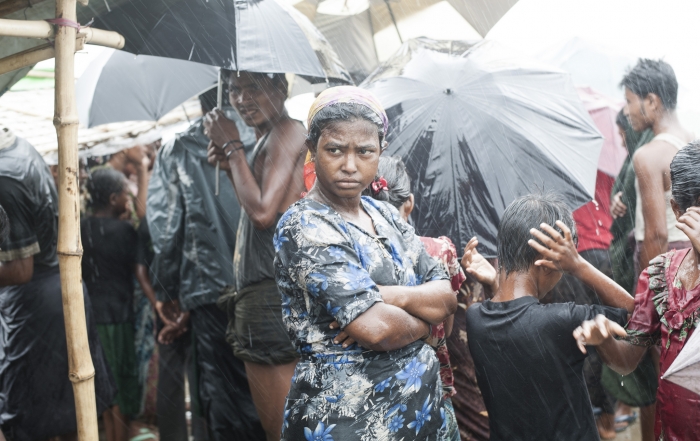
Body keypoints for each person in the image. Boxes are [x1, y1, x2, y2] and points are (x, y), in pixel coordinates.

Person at [274, 86, 457, 440]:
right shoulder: (305, 225)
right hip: (347, 419)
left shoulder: (386, 214)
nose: (350, 165)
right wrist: (425, 322)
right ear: (312, 150)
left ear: (381, 152)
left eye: (365, 151)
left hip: (419, 412)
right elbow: (377, 330)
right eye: (334, 150)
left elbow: (447, 296)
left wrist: (388, 295)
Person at [464, 192, 633, 441]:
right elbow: (638, 313)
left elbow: (509, 315)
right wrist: (578, 265)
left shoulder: (475, 318)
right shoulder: (562, 321)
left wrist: (494, 282)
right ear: (548, 263)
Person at [148, 90, 264, 441]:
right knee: (264, 379)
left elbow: (165, 228)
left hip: (209, 287)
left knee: (221, 387)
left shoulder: (178, 147)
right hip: (262, 282)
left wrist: (166, 291)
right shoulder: (260, 135)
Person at [204, 71, 306, 440]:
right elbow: (259, 208)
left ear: (280, 89)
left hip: (271, 296)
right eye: (234, 90)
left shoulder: (288, 130)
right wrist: (231, 163)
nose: (242, 99)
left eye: (253, 88)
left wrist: (232, 147)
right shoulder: (268, 137)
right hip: (265, 292)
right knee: (285, 425)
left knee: (280, 428)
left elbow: (263, 214)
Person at [575, 142, 700, 441]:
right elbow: (627, 361)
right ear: (677, 211)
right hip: (674, 429)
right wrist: (605, 341)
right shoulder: (660, 274)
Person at [0, 128, 115, 441]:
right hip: (59, 291)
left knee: (30, 418)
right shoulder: (17, 147)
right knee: (65, 414)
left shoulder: (4, 174)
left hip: (37, 303)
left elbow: (20, 269)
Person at [366, 155, 465, 441]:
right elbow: (445, 328)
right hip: (429, 389)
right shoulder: (439, 251)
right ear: (408, 203)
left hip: (374, 396)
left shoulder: (353, 258)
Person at [604, 110, 657, 438]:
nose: (621, 139)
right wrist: (618, 200)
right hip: (633, 269)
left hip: (643, 272)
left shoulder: (647, 158)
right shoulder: (632, 162)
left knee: (648, 364)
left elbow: (654, 231)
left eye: (623, 133)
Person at [82, 168, 142, 441]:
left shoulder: (80, 227)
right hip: (118, 317)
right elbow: (140, 272)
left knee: (101, 381)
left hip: (88, 316)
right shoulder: (125, 230)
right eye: (125, 194)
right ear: (114, 197)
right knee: (120, 380)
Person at [623, 59, 694, 271]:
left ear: (652, 101)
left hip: (667, 261)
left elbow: (657, 236)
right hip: (692, 258)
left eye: (629, 101)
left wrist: (648, 294)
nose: (626, 111)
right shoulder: (694, 142)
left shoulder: (649, 155)